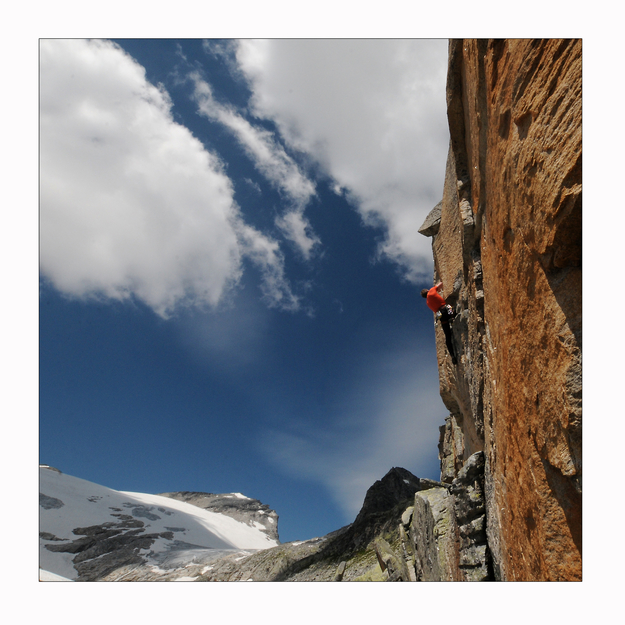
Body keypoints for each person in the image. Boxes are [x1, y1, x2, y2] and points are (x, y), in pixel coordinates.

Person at [421, 282, 457, 364]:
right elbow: (441, 283)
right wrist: (435, 287)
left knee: (447, 336)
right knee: (455, 308)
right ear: (427, 290)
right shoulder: (431, 291)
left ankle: (452, 355)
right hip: (446, 309)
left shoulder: (428, 303)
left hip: (440, 316)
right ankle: (452, 316)